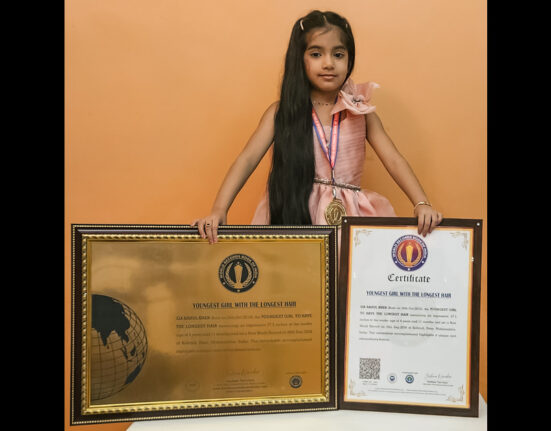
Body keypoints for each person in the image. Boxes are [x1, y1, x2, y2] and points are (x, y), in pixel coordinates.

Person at [192, 10, 442, 244]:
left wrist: (421, 202)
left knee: (350, 283)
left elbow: (394, 159)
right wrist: (219, 209)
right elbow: (246, 160)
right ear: (300, 59)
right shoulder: (281, 113)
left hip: (351, 217)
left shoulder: (361, 113)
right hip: (296, 214)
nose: (328, 63)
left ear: (349, 58)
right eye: (316, 54)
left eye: (338, 54)